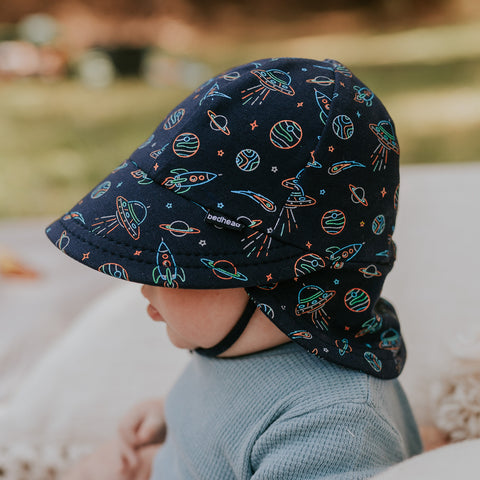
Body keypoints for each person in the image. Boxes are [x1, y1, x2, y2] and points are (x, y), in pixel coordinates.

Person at [46, 57, 423, 479]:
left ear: (275, 283)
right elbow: (234, 421)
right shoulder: (244, 339)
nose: (143, 289)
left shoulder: (335, 428)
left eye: (165, 266)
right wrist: (168, 431)